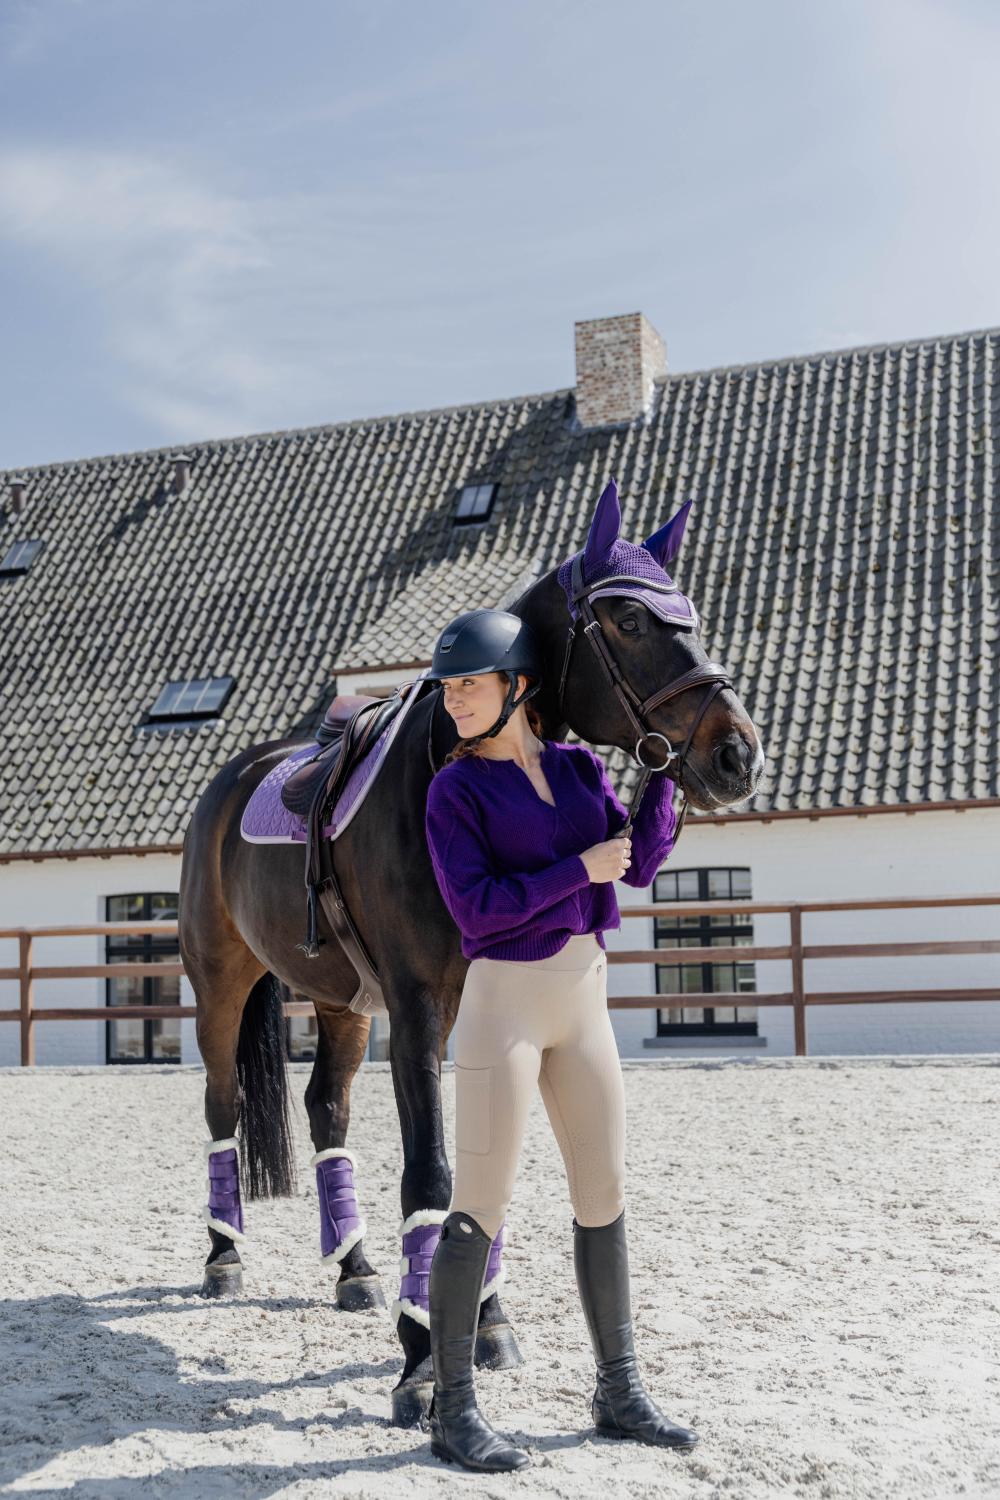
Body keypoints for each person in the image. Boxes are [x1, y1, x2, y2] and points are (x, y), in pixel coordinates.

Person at [422, 607, 700, 1473]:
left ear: (518, 688)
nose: (455, 698)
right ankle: (452, 1406)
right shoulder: (453, 791)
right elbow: (477, 908)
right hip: (503, 1005)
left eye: (470, 683)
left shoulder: (579, 769)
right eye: (449, 687)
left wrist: (668, 780)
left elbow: (639, 861)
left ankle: (619, 1390)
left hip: (583, 1002)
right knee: (480, 1204)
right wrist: (577, 870)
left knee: (604, 1191)